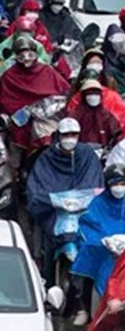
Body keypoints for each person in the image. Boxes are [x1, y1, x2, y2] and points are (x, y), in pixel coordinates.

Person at [26, 118, 104, 285]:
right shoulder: (46, 158)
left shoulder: (87, 155)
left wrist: (83, 199)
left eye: (73, 134)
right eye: (65, 135)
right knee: (45, 238)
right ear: (58, 136)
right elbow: (37, 189)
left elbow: (95, 183)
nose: (69, 138)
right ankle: (46, 277)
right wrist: (53, 200)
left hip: (83, 210)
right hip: (54, 211)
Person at [70, 165, 125, 311]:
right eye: (114, 184)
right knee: (89, 255)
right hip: (104, 248)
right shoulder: (98, 202)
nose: (118, 188)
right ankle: (84, 308)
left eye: (122, 184)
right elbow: (88, 225)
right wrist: (105, 241)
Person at [65, 79, 124, 149]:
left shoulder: (107, 115)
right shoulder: (75, 114)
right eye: (89, 93)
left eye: (96, 93)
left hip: (103, 153)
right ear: (84, 96)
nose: (93, 96)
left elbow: (117, 135)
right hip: (79, 152)